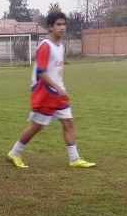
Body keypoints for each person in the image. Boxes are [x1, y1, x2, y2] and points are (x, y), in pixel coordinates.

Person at [6, 11, 96, 169]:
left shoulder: (61, 46)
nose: (62, 27)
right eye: (58, 24)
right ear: (50, 28)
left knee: (68, 123)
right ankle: (14, 153)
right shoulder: (45, 46)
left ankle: (74, 158)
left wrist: (61, 87)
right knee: (36, 126)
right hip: (45, 93)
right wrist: (58, 88)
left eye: (64, 24)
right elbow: (41, 72)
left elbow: (57, 70)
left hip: (58, 93)